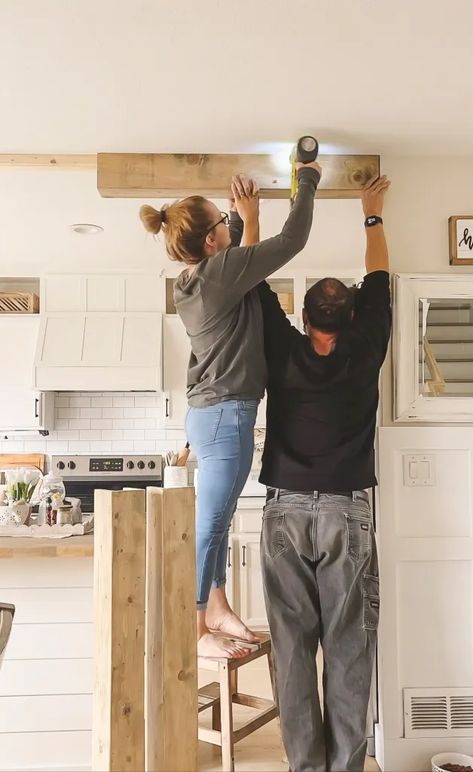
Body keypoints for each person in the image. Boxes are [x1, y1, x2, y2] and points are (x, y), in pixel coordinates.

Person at [139, 159, 322, 658]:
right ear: (210, 241)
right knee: (211, 522)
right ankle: (195, 625)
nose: (228, 220)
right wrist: (306, 181)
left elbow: (231, 252)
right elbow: (292, 241)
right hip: (225, 416)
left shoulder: (192, 281)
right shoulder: (219, 274)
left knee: (213, 520)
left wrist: (239, 218)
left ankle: (215, 603)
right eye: (221, 219)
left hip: (210, 415)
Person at [257, 175, 391, 771]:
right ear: (353, 314)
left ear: (304, 314)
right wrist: (372, 212)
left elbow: (256, 282)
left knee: (291, 652)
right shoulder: (367, 348)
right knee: (348, 651)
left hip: (284, 509)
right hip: (346, 511)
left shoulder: (282, 348)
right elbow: (381, 277)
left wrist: (248, 216)